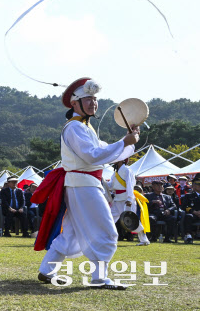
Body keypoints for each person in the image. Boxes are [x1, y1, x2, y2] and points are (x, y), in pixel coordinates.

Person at [34, 77, 138, 290]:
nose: (93, 103)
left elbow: (105, 150)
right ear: (74, 103)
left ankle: (47, 271)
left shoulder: (83, 127)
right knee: (106, 230)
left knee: (71, 232)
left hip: (82, 184)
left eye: (94, 98)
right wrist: (124, 142)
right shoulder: (75, 128)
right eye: (87, 99)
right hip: (84, 185)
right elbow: (93, 156)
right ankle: (99, 277)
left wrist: (129, 140)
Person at [109, 159, 150, 245]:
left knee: (131, 221)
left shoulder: (127, 170)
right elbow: (111, 185)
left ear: (122, 160)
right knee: (109, 218)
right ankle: (107, 238)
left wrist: (130, 199)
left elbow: (130, 185)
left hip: (126, 199)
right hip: (117, 199)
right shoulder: (115, 173)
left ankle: (144, 240)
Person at [179, 175, 200, 243]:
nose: (199, 186)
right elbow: (184, 206)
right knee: (188, 216)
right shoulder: (189, 195)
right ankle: (188, 236)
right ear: (193, 185)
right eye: (198, 184)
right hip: (193, 214)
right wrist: (193, 211)